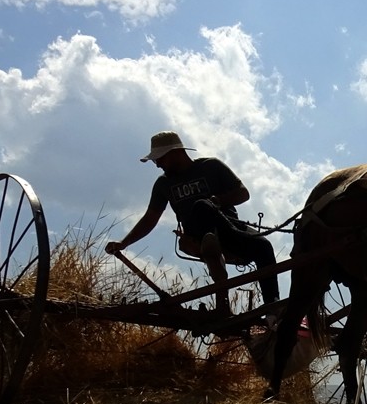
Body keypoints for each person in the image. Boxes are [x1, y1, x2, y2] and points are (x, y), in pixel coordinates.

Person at [106, 131, 279, 313]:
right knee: (201, 208)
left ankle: (273, 309)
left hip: (230, 229)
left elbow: (243, 193)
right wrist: (124, 243)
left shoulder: (211, 166)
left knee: (264, 247)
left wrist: (218, 201)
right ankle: (219, 246)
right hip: (196, 236)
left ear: (176, 153)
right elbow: (150, 218)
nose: (157, 165)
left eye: (160, 159)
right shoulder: (163, 184)